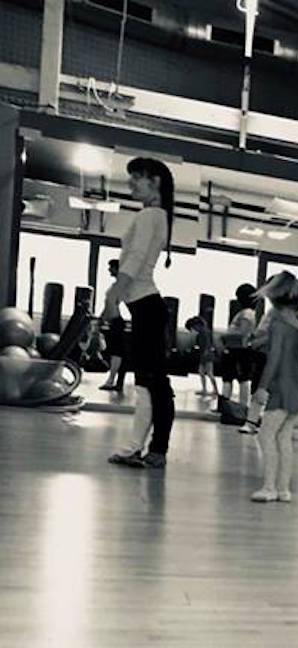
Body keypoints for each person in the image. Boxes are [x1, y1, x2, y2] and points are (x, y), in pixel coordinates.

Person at [106, 158, 177, 470]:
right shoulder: (156, 215)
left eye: (137, 177)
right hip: (144, 307)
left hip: (146, 307)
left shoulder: (150, 215)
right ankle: (137, 447)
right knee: (147, 383)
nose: (131, 183)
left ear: (155, 181)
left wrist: (112, 295)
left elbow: (135, 259)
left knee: (153, 383)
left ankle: (154, 448)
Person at [248, 271, 298, 503]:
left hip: (281, 387)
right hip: (297, 387)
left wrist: (261, 388)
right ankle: (283, 489)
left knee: (265, 436)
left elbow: (273, 359)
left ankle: (269, 487)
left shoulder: (277, 322)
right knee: (284, 438)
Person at [99, 259, 128, 394]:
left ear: (117, 269)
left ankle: (111, 381)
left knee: (117, 354)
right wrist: (101, 319)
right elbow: (108, 305)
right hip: (113, 322)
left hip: (117, 322)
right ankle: (116, 383)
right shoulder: (115, 286)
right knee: (117, 353)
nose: (109, 270)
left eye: (111, 267)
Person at [185, 316, 218, 397]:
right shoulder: (204, 331)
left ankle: (213, 390)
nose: (193, 330)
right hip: (205, 354)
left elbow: (206, 344)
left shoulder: (203, 332)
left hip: (206, 355)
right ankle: (207, 389)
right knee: (203, 372)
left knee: (208, 373)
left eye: (193, 328)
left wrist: (205, 352)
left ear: (197, 325)